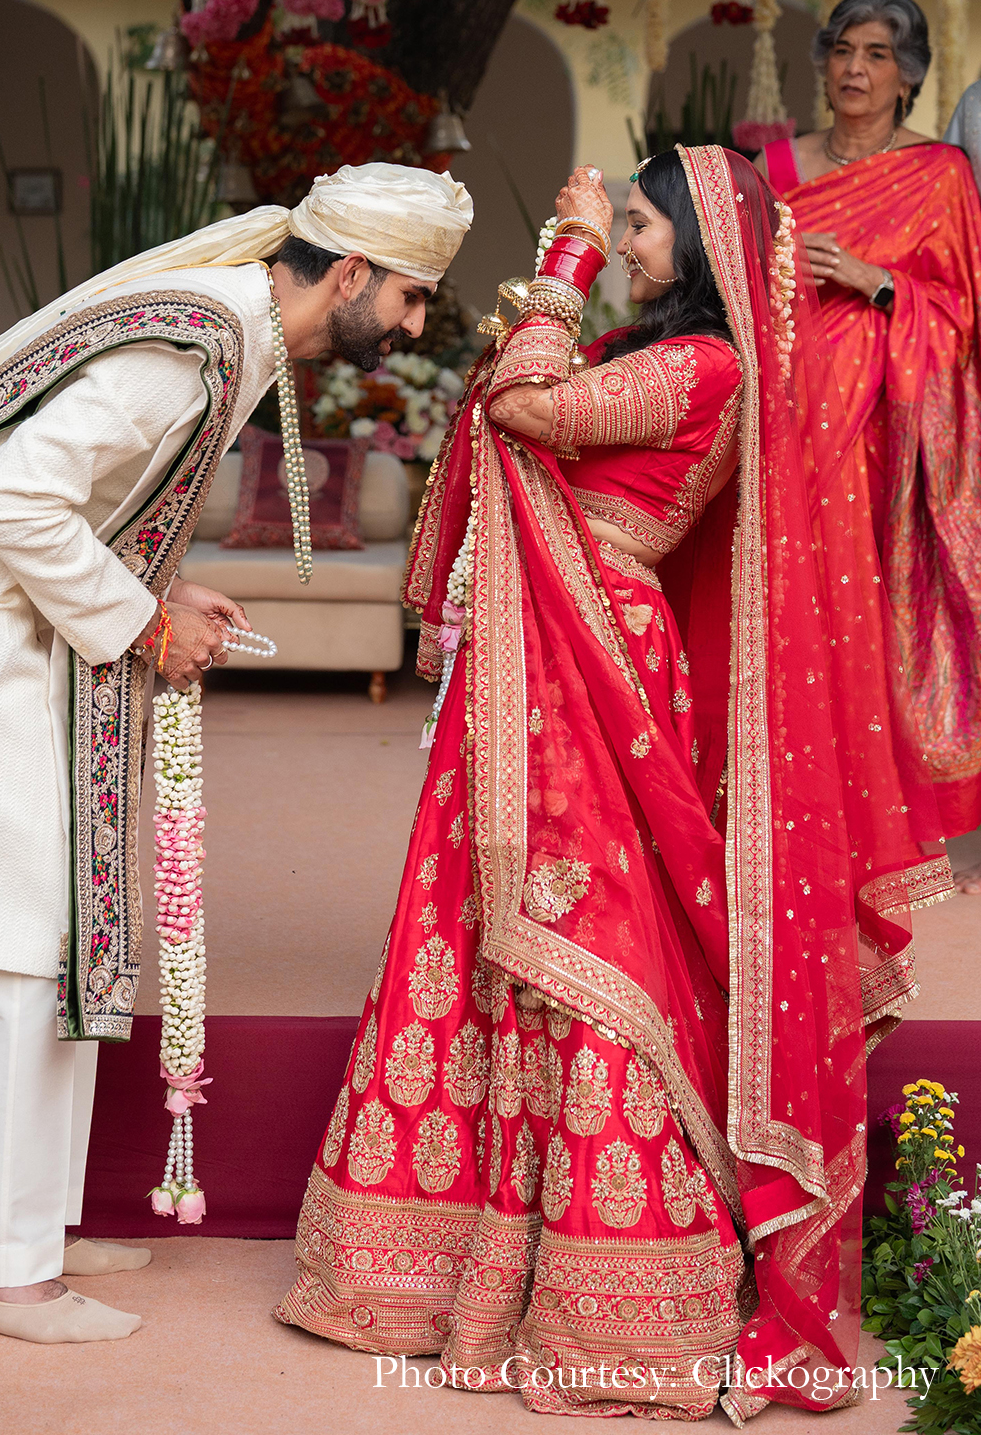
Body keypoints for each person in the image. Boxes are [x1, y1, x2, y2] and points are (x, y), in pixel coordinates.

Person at [275, 146, 948, 1418]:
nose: (627, 242)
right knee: (485, 936)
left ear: (693, 243)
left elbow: (529, 405)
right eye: (620, 225)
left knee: (590, 940)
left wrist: (561, 258)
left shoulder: (703, 366)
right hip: (546, 664)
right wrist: (574, 271)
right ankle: (456, 1265)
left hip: (593, 668)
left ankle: (618, 1289)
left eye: (640, 226)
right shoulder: (674, 357)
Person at [0, 161, 473, 1345]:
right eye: (405, 297)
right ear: (347, 271)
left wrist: (155, 583)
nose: (407, 323)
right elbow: (19, 506)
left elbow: (64, 505)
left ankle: (27, 1229)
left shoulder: (231, 329)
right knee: (12, 942)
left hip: (23, 619)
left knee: (61, 933)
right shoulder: (183, 353)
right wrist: (146, 619)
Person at [759, 0, 981, 849]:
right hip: (777, 415)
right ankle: (777, 794)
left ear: (910, 74)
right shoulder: (771, 166)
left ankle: (861, 817)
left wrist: (875, 279)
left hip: (880, 432)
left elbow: (963, 319)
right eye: (844, 50)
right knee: (781, 599)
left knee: (856, 605)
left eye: (878, 54)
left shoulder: (940, 176)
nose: (855, 68)